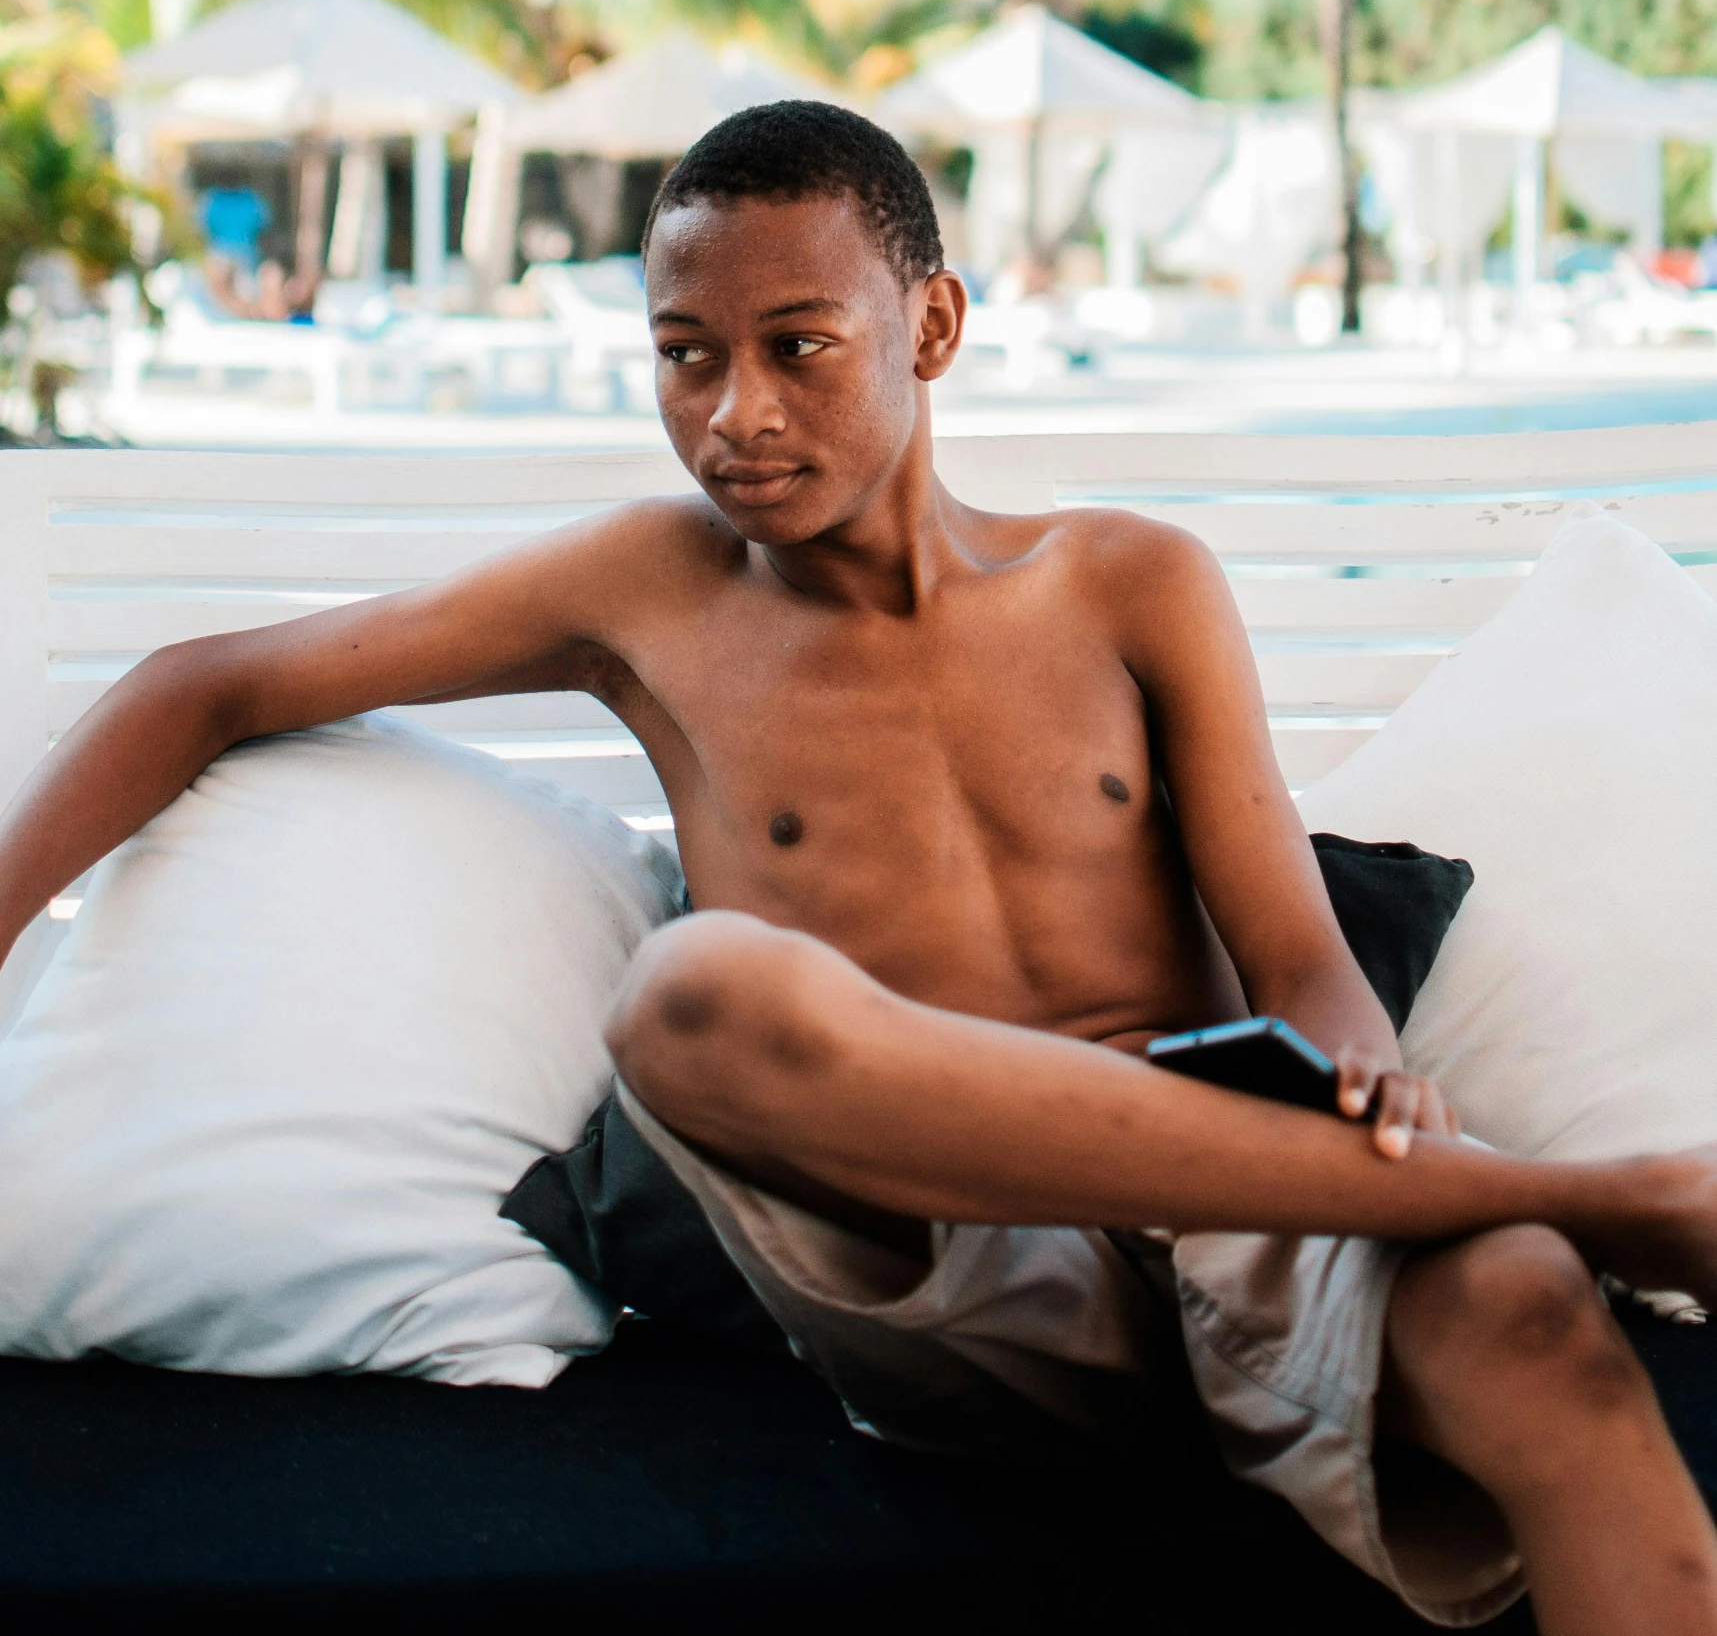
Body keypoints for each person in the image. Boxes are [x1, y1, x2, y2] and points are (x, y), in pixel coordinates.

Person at [3, 103, 1717, 1633]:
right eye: (686, 354)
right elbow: (203, 682)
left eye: (798, 345)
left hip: (1247, 1193)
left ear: (934, 324)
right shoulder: (649, 593)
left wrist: (1378, 1091)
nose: (735, 412)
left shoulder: (1131, 583)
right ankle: (1613, 1194)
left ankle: (1525, 1223)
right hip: (941, 1271)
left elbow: (1295, 949)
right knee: (690, 995)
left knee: (1533, 1321)